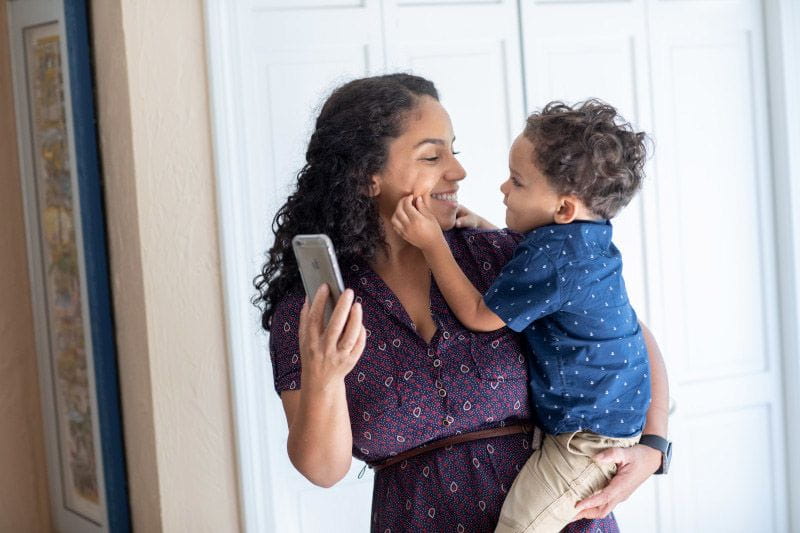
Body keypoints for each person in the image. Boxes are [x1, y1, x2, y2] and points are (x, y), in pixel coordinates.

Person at [254, 73, 670, 532]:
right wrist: (325, 376)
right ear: (366, 178)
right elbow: (323, 470)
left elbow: (626, 337)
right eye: (432, 155)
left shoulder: (500, 255)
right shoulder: (313, 310)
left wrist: (652, 447)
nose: (458, 171)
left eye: (455, 151)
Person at [391, 100, 655, 532]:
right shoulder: (583, 238)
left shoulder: (554, 257)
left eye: (517, 181)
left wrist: (432, 244)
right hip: (605, 423)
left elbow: (480, 315)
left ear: (564, 208)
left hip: (586, 446)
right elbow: (538, 267)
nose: (503, 188)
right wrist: (488, 229)